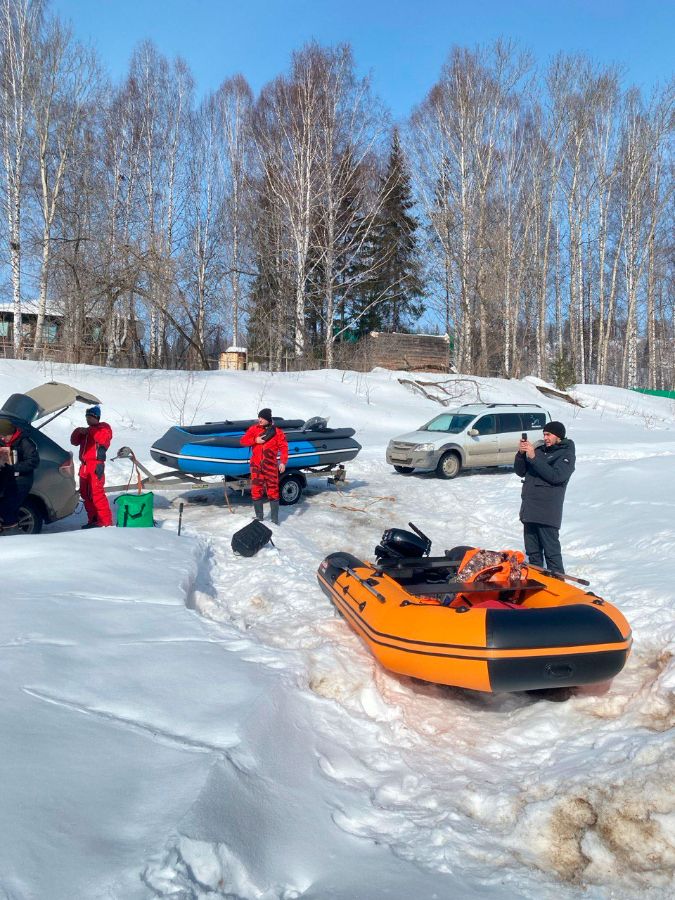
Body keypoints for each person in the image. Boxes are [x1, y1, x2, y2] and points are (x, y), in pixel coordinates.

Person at [514, 421, 575, 573]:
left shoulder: (566, 455)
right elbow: (521, 471)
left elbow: (556, 476)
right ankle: (537, 580)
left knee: (552, 554)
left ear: (558, 436)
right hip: (530, 510)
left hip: (547, 513)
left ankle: (558, 583)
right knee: (533, 553)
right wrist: (521, 454)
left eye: (549, 434)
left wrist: (534, 458)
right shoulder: (540, 450)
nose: (545, 437)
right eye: (544, 434)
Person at [240, 408, 288, 525]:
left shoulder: (277, 432)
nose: (259, 420)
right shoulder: (254, 429)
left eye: (262, 418)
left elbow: (284, 448)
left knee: (273, 491)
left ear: (268, 419)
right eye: (259, 417)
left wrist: (283, 462)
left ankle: (274, 520)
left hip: (270, 466)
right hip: (256, 466)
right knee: (256, 491)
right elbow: (243, 441)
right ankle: (259, 517)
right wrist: (255, 440)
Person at [70, 405, 113, 528]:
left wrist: (90, 430)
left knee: (97, 494)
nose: (87, 419)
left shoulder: (104, 428)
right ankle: (93, 520)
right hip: (84, 466)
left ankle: (105, 522)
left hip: (95, 465)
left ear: (96, 417)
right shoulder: (87, 430)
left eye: (89, 417)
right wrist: (79, 431)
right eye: (86, 417)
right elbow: (74, 441)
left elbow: (102, 439)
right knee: (85, 494)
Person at [0, 418, 39, 533]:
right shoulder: (3, 441)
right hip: (7, 477)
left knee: (8, 507)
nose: (2, 438)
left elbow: (33, 461)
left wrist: (14, 467)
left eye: (4, 436)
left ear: (10, 433)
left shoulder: (25, 442)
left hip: (22, 479)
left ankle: (12, 534)